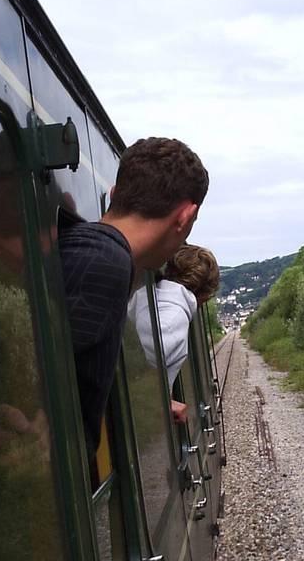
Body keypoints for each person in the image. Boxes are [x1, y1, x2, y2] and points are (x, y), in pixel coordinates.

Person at [59, 137, 208, 460]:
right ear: (185, 217)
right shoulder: (105, 262)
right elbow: (49, 402)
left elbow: (77, 372)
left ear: (114, 196)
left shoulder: (102, 255)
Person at [128, 244, 220, 424]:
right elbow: (135, 378)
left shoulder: (146, 297)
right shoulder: (171, 321)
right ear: (205, 293)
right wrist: (162, 404)